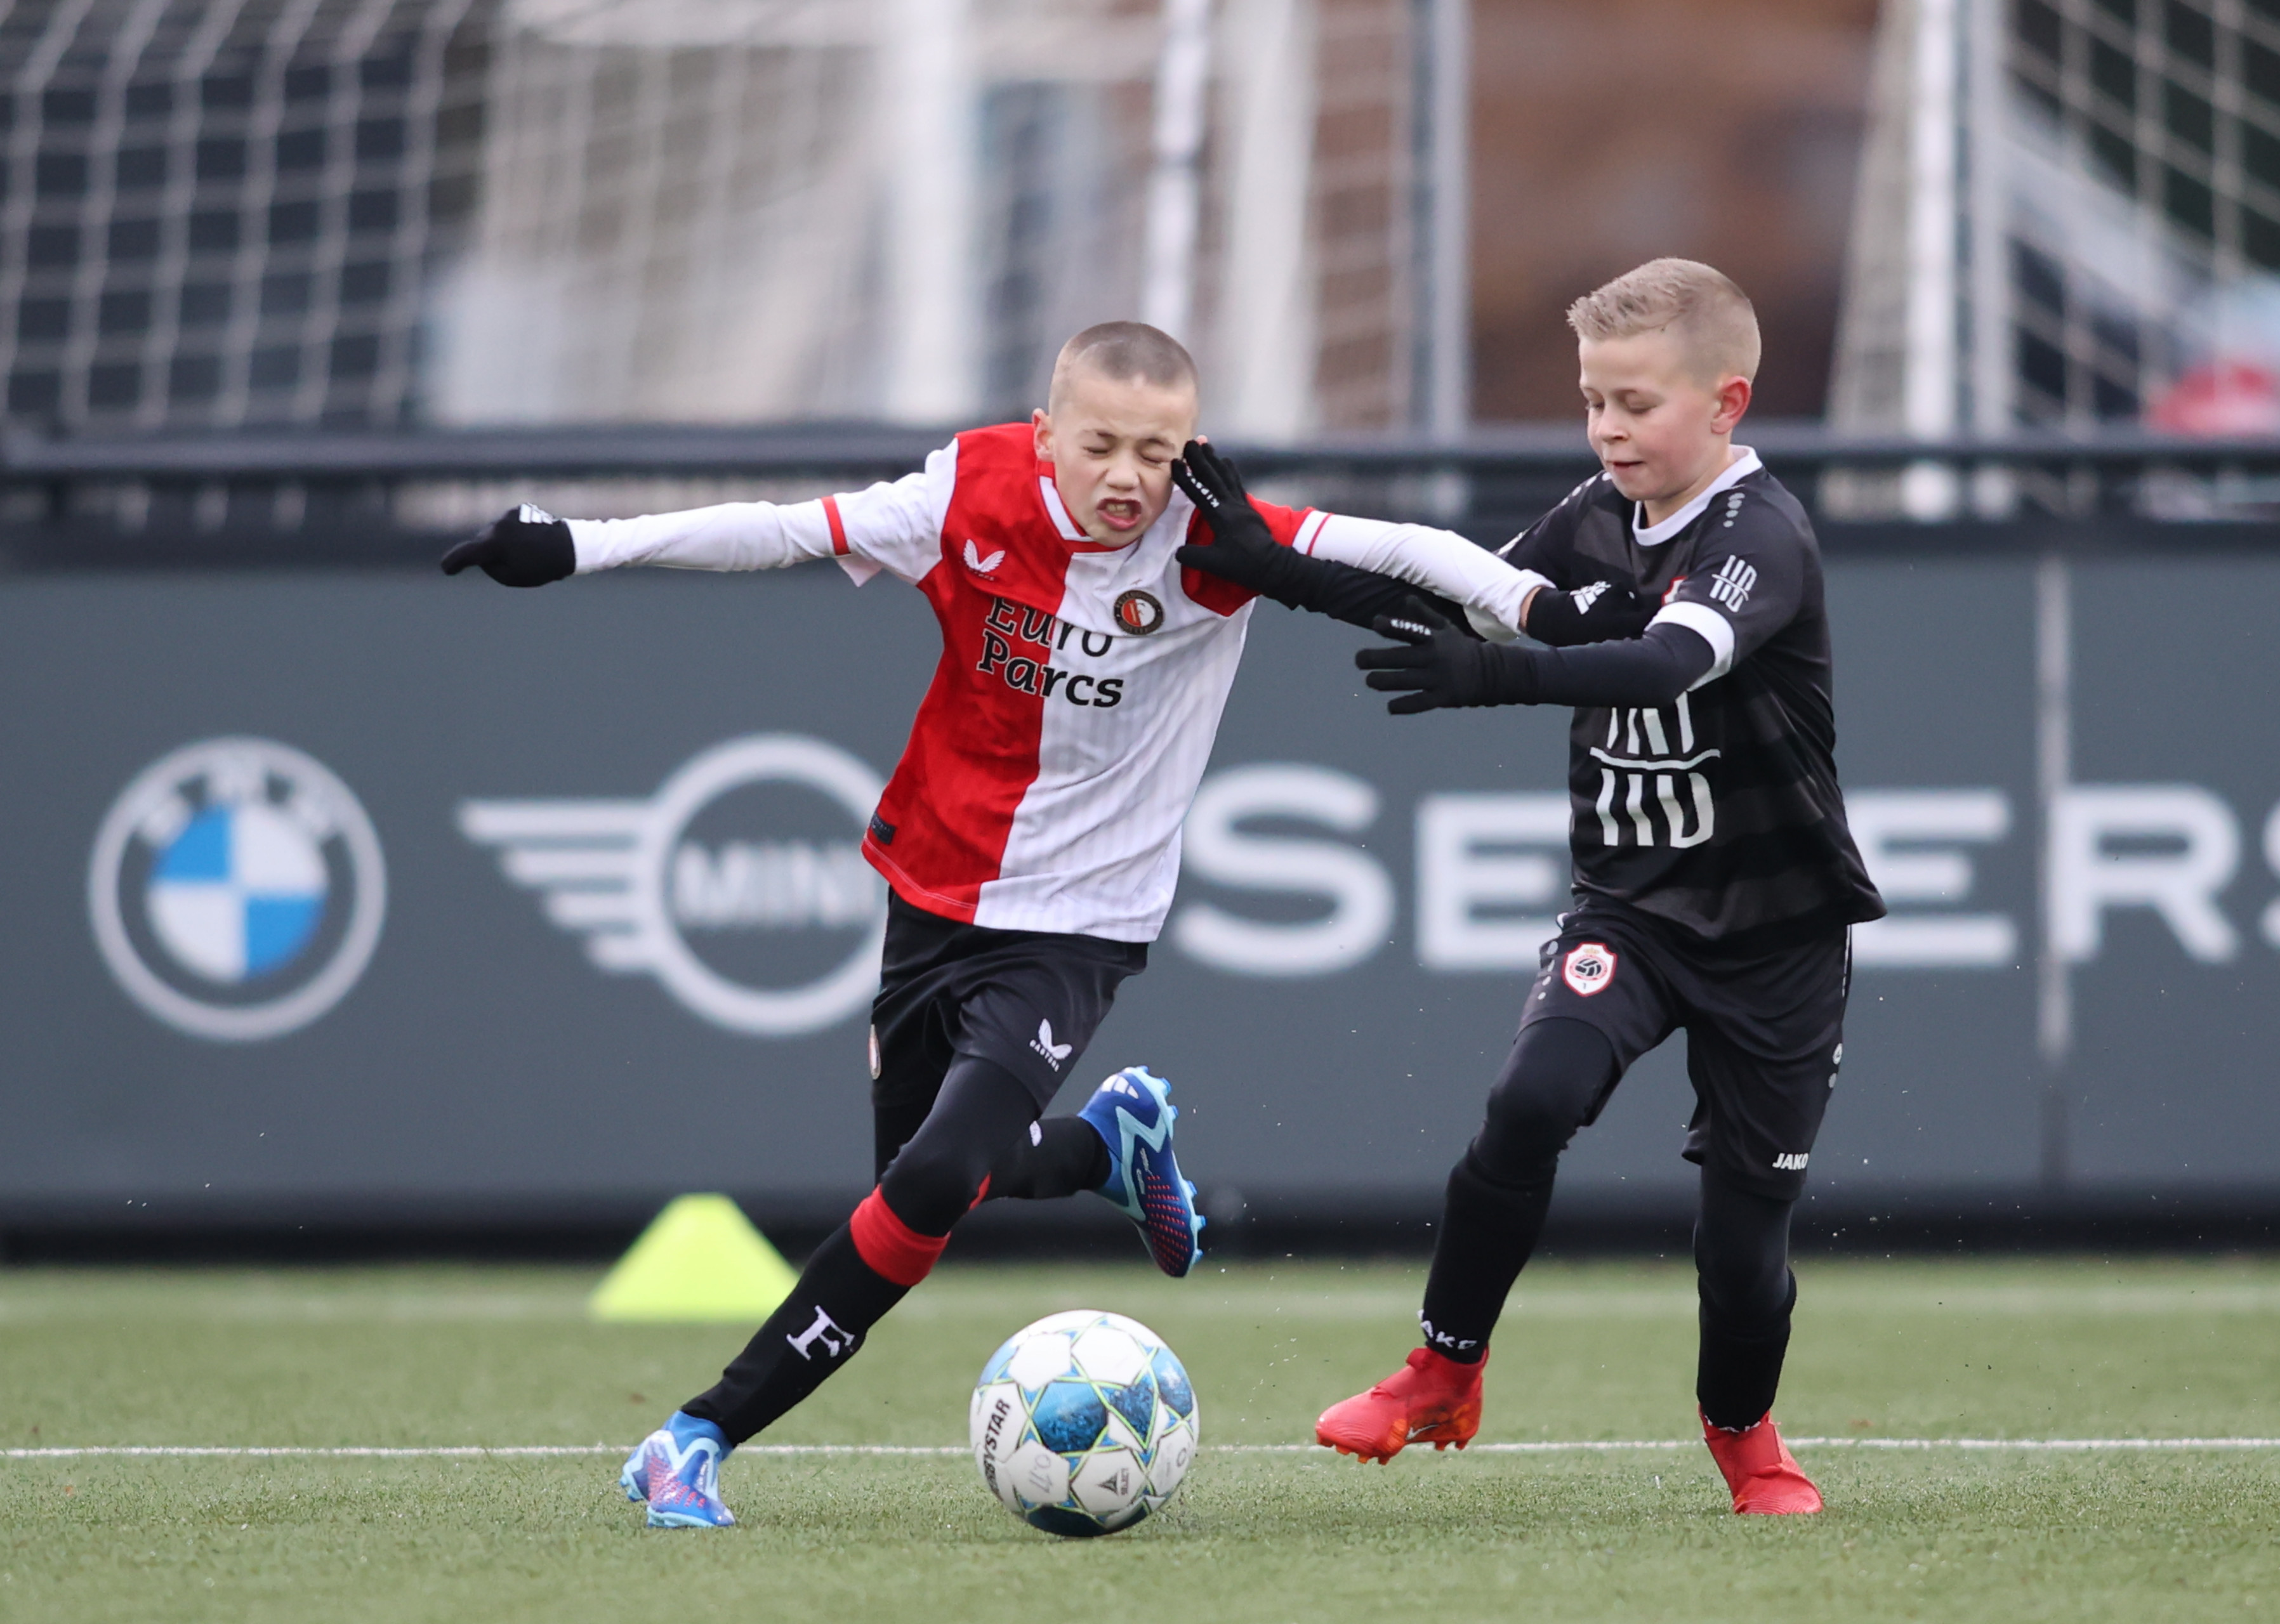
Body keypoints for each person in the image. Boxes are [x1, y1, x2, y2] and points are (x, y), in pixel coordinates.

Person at [442, 321, 1630, 1529]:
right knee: (922, 1186)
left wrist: (1542, 605)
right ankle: (1107, 1149)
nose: (1129, 476)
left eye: (1157, 451)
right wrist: (577, 546)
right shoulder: (969, 489)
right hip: (931, 890)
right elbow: (788, 529)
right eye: (1102, 444)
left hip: (1078, 924)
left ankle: (692, 1437)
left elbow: (1414, 548)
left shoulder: (1213, 538)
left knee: (933, 1180)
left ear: (1191, 447)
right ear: (1046, 428)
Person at [1312, 260, 1887, 1514]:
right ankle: (1441, 1369)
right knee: (1532, 1096)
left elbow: (1668, 660)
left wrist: (1500, 678)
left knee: (1743, 1248)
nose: (1608, 430)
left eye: (1635, 403)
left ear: (1726, 402)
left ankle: (1743, 1432)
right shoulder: (1591, 511)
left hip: (1780, 940)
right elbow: (1454, 587)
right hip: (1631, 908)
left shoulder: (1761, 534)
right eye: (1593, 403)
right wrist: (1248, 554)